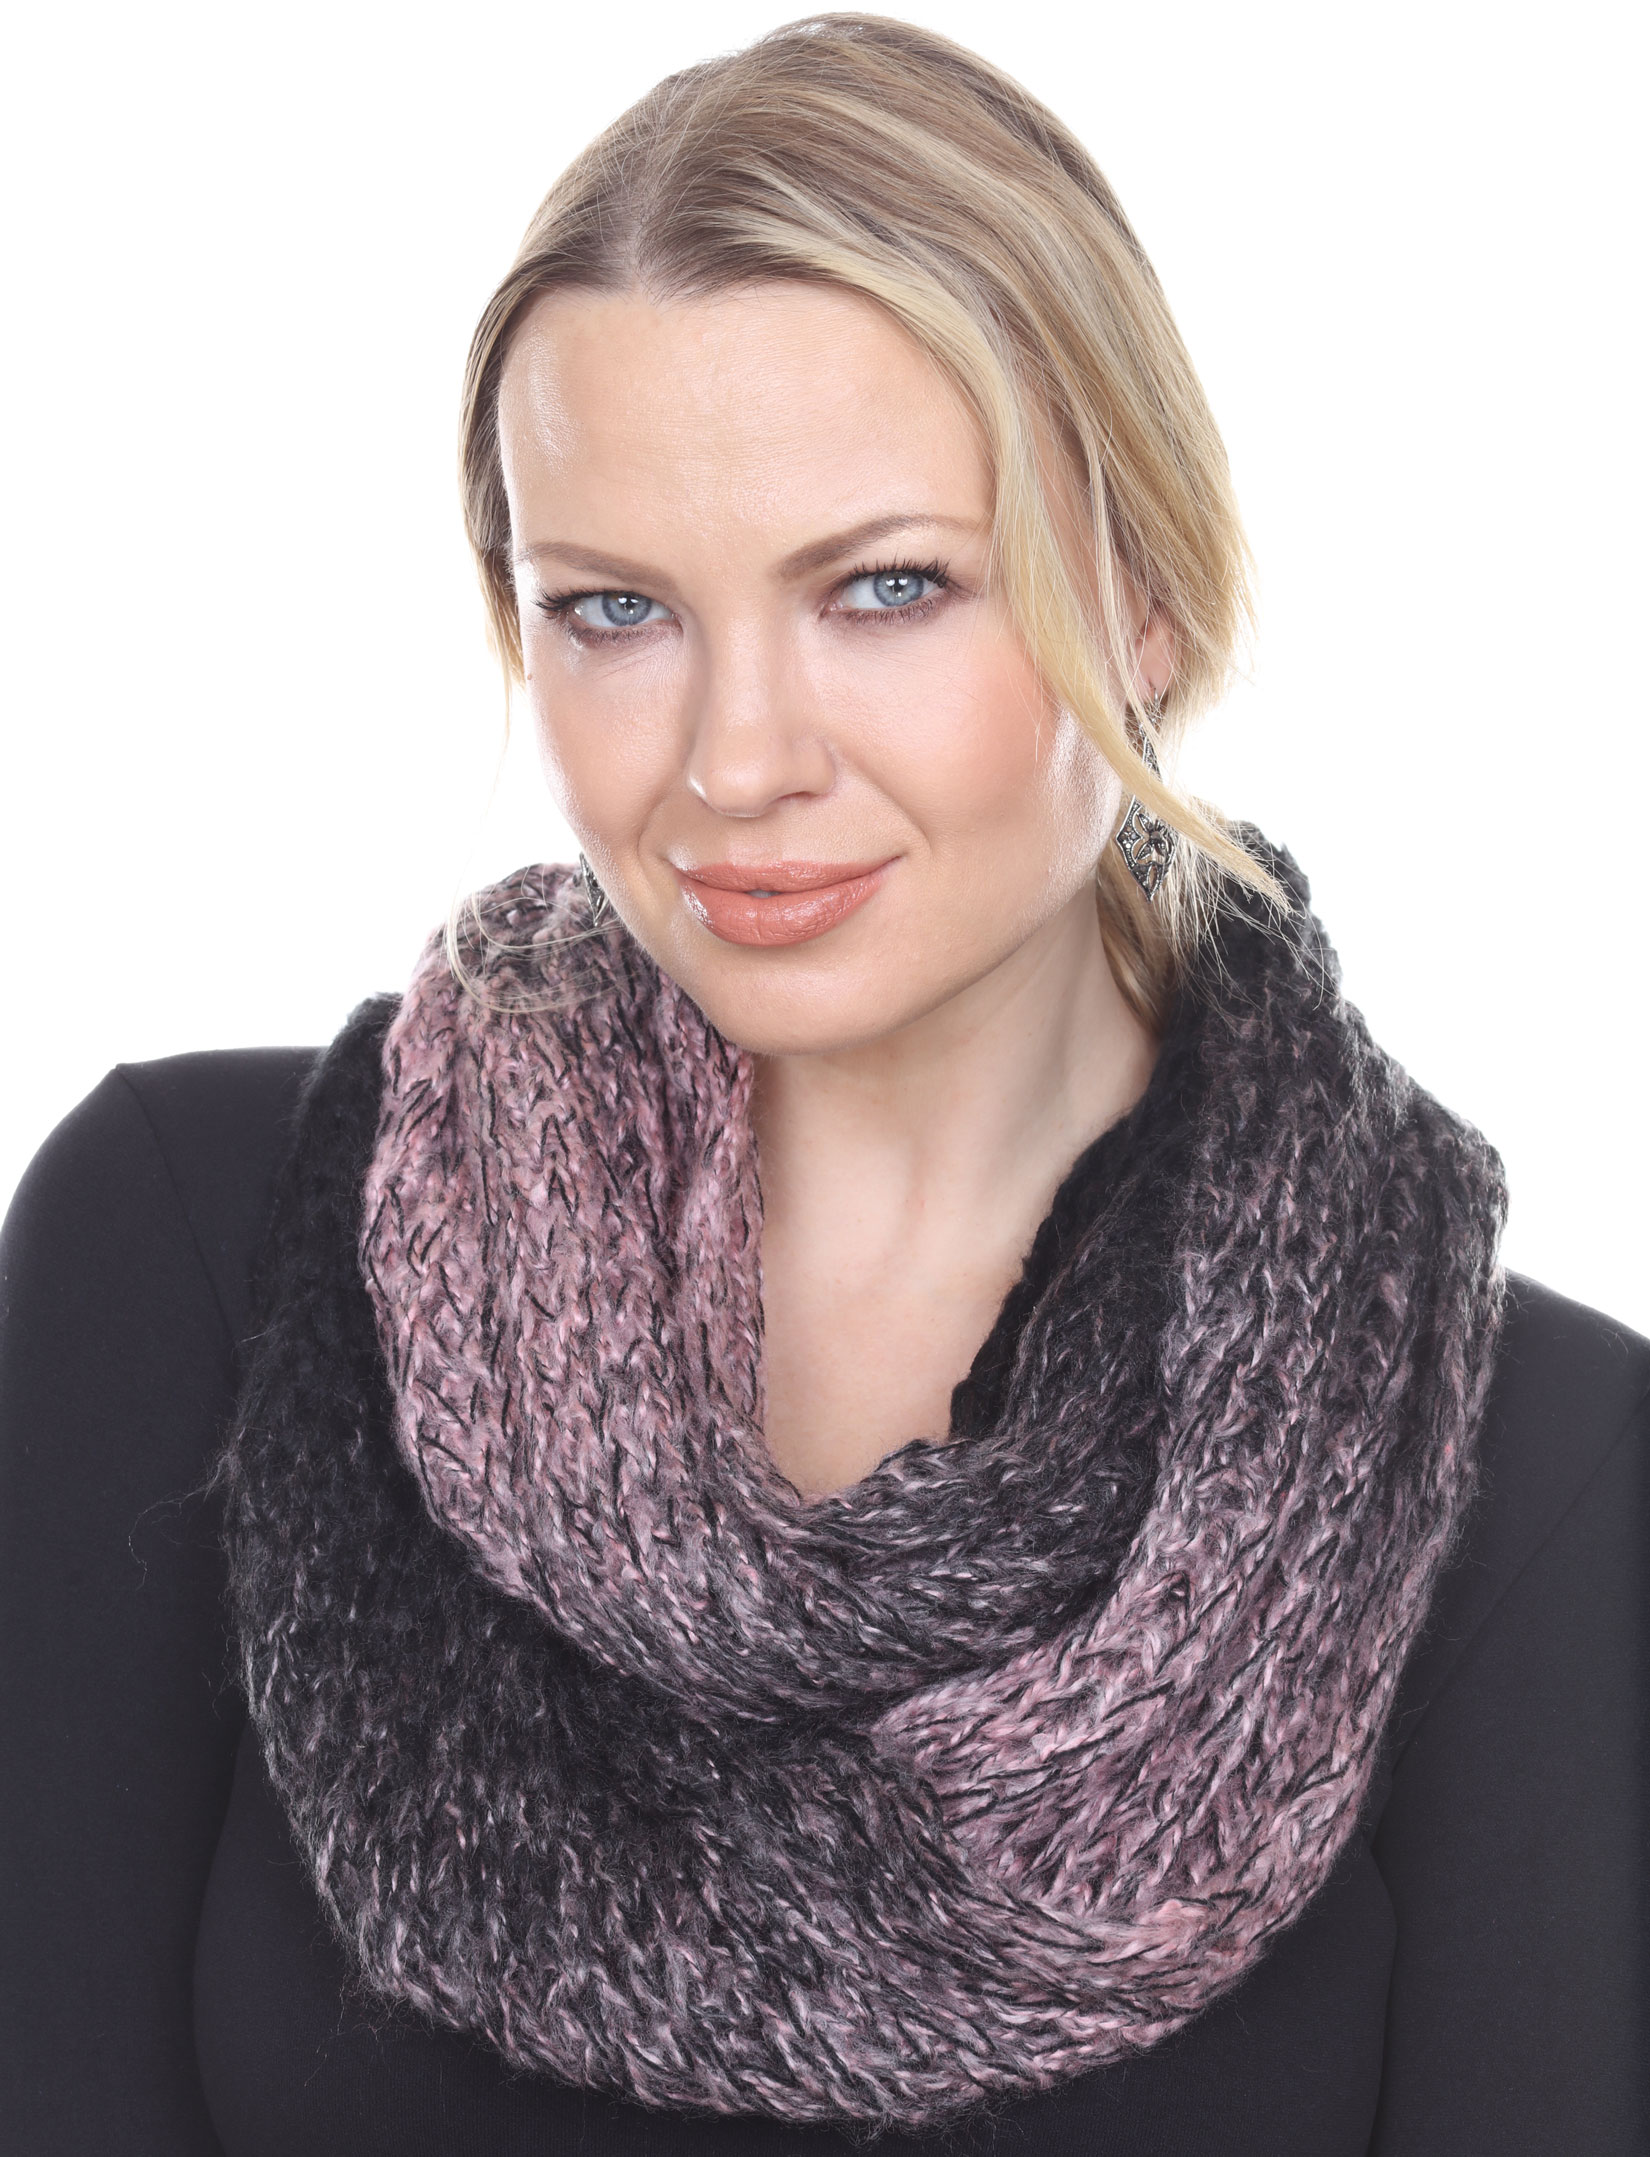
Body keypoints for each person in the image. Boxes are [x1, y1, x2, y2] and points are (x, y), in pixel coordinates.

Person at [1, 14, 1643, 2155]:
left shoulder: (1535, 1473)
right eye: (615, 610)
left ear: (1145, 596)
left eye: (885, 588)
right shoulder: (182, 1250)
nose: (737, 757)